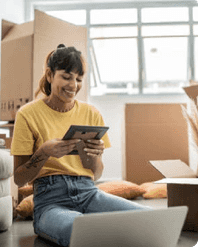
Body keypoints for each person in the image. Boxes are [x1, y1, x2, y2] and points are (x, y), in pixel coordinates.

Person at [11, 44, 152, 247]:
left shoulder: (91, 113)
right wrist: (43, 153)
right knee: (81, 230)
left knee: (148, 220)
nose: (73, 85)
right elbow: (19, 179)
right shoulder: (27, 114)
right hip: (50, 201)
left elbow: (96, 175)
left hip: (89, 193)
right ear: (50, 76)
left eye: (78, 79)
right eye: (66, 77)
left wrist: (92, 158)